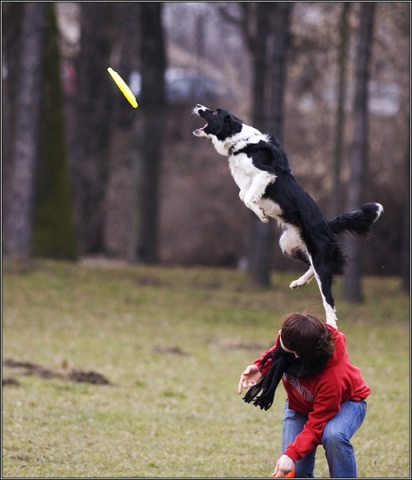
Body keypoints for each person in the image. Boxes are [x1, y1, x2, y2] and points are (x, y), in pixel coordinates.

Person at [238, 312, 370, 478]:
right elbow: (279, 351)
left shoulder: (332, 376)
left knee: (333, 435)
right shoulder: (302, 340)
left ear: (298, 356)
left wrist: (291, 453)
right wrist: (259, 367)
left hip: (347, 403)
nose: (279, 337)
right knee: (295, 471)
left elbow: (317, 423)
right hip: (300, 406)